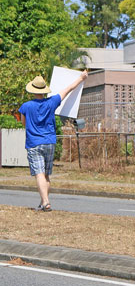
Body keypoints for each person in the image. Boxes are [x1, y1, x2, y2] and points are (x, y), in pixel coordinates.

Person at [19, 71, 88, 212]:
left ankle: (46, 202)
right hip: (50, 141)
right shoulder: (52, 102)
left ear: (32, 90)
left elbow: (23, 123)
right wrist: (81, 78)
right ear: (44, 90)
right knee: (46, 174)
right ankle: (43, 202)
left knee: (39, 173)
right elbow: (68, 89)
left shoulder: (26, 106)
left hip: (34, 142)